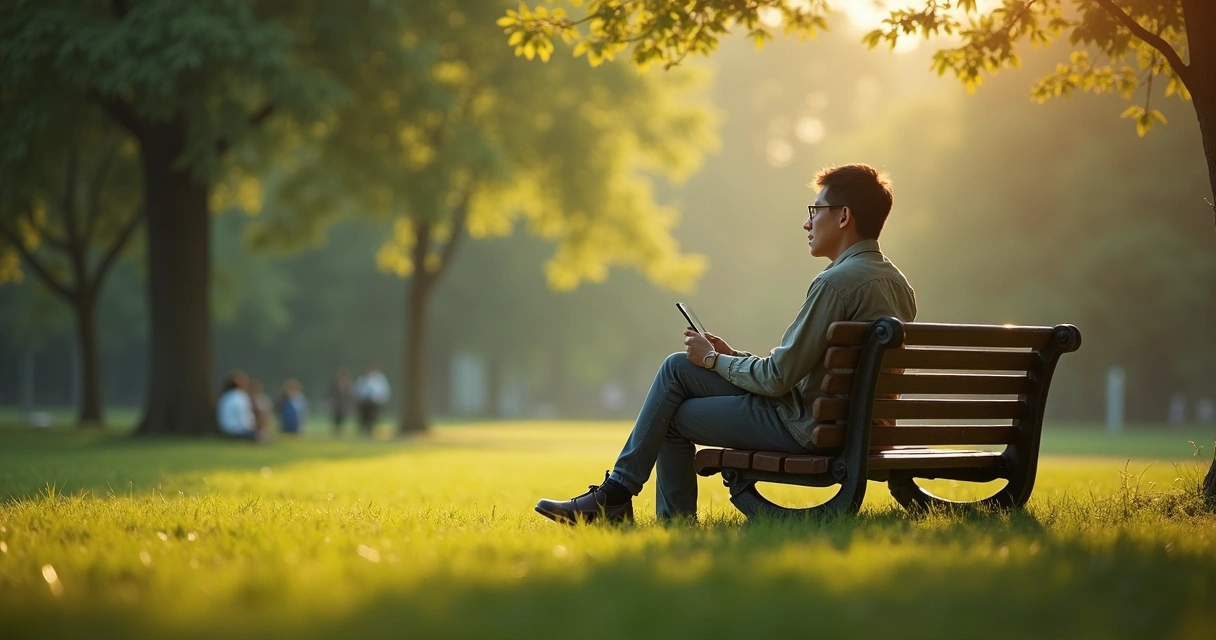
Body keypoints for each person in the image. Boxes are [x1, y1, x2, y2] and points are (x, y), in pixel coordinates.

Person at [535, 164, 917, 524]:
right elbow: (797, 374)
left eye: (814, 210)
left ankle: (635, 505)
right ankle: (617, 495)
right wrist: (730, 357)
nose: (807, 222)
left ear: (844, 216)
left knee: (670, 411)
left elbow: (777, 379)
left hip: (810, 428)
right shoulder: (899, 285)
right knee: (677, 368)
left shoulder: (835, 284)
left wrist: (716, 360)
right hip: (855, 425)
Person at [217, 370, 262, 441]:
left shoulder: (224, 397)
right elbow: (243, 419)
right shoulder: (241, 396)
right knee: (262, 436)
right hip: (237, 431)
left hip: (224, 429)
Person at [353, 366, 391, 437]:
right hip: (364, 402)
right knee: (363, 417)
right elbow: (358, 391)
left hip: (375, 403)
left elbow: (383, 392)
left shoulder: (380, 380)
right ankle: (363, 429)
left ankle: (370, 429)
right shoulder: (362, 379)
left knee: (372, 416)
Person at [327, 366, 354, 436]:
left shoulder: (348, 384)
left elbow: (350, 395)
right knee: (336, 418)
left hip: (344, 404)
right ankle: (336, 431)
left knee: (343, 418)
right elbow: (329, 393)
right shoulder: (334, 383)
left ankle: (340, 431)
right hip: (336, 404)